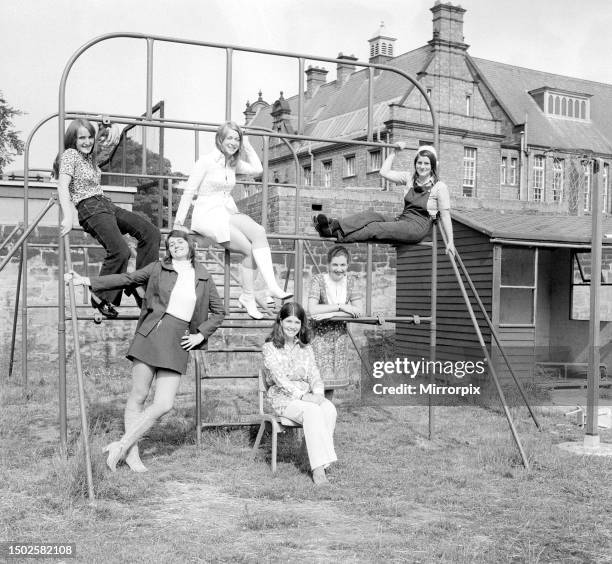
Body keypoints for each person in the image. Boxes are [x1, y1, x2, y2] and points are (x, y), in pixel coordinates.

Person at [65, 230, 225, 472]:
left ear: (191, 245)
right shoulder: (157, 268)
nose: (175, 246)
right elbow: (127, 279)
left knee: (164, 404)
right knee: (138, 396)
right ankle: (132, 455)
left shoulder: (203, 276)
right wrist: (88, 281)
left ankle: (120, 445)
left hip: (178, 341)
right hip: (151, 334)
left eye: (180, 242)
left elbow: (219, 311)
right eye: (171, 244)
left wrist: (201, 334)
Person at [173, 121, 291, 320]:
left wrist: (246, 145)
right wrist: (178, 222)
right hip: (207, 215)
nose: (233, 142)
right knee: (247, 249)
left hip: (226, 212)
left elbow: (257, 169)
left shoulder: (233, 163)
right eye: (230, 138)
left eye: (237, 139)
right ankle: (248, 296)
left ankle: (270, 286)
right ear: (220, 139)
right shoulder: (206, 161)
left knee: (259, 232)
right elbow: (189, 191)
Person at [54, 118, 161, 319]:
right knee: (120, 251)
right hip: (89, 208)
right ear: (73, 140)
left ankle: (142, 285)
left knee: (151, 233)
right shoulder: (70, 155)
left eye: (90, 137)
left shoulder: (90, 157)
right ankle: (100, 295)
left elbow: (108, 146)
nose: (87, 142)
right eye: (81, 138)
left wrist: (113, 128)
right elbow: (62, 184)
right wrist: (68, 216)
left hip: (106, 204)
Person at [312, 144, 455, 255]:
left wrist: (450, 242)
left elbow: (445, 215)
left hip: (417, 227)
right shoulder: (409, 178)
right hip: (403, 220)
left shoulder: (439, 187)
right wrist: (394, 152)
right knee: (371, 215)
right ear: (415, 163)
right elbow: (383, 172)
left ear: (432, 166)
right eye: (419, 163)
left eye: (426, 164)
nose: (422, 167)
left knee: (375, 228)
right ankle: (333, 225)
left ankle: (335, 235)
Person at [262, 302, 337, 486]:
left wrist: (318, 394)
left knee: (329, 409)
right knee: (312, 411)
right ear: (280, 321)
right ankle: (319, 470)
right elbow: (279, 379)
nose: (292, 326)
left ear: (301, 324)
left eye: (297, 322)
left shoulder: (306, 348)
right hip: (283, 399)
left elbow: (314, 374)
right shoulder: (269, 348)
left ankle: (311, 458)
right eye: (289, 321)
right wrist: (303, 396)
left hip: (306, 396)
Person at [308, 246, 362, 400]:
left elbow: (358, 310)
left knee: (331, 385)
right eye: (335, 265)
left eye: (343, 265)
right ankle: (313, 415)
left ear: (348, 265)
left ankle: (327, 417)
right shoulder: (318, 280)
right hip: (319, 337)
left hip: (339, 337)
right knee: (317, 381)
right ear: (328, 265)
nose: (339, 269)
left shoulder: (351, 281)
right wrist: (341, 307)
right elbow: (312, 309)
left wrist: (331, 313)